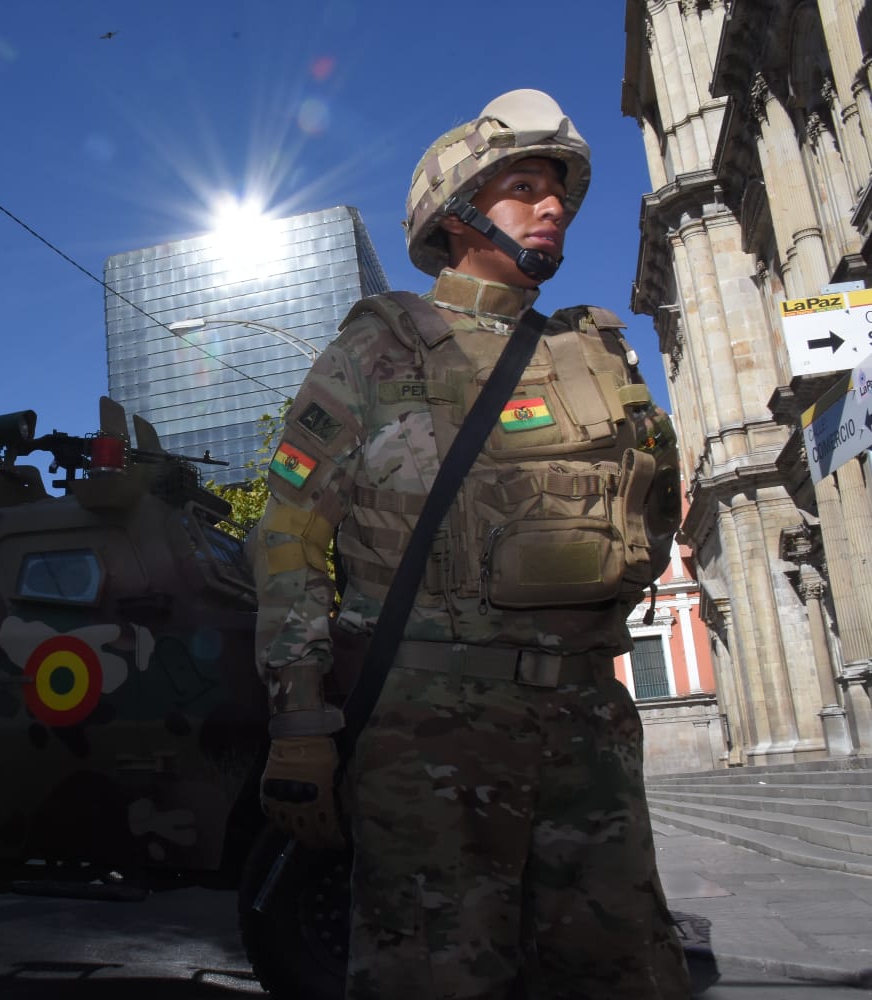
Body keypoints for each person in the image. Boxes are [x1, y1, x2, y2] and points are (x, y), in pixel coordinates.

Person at [252, 90, 690, 999]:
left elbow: (651, 510)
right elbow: (289, 534)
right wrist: (300, 725)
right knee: (433, 973)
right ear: (453, 213)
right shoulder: (380, 352)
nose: (553, 205)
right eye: (523, 186)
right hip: (428, 730)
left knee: (622, 972)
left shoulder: (599, 352)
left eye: (559, 191)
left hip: (585, 722)